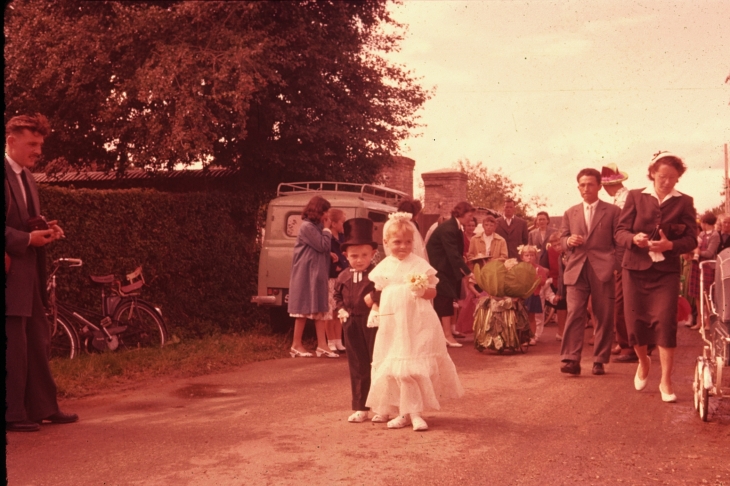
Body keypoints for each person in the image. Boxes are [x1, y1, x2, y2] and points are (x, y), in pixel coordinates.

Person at [5, 114, 78, 432]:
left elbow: (23, 221)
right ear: (11, 141)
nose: (38, 151)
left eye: (40, 144)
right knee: (14, 344)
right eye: (31, 143)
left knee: (37, 339)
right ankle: (12, 414)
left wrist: (45, 230)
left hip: (30, 272)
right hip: (9, 274)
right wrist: (26, 239)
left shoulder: (28, 178)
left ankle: (43, 407)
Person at [366, 213, 464, 431]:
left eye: (408, 242)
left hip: (417, 322)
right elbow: (378, 292)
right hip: (393, 323)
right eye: (397, 242)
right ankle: (402, 412)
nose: (403, 246)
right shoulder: (384, 267)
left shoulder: (419, 264)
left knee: (412, 366)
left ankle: (416, 413)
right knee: (397, 366)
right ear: (386, 242)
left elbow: (432, 293)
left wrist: (421, 290)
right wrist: (374, 309)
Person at [615, 151, 697, 403]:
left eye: (673, 178)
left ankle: (666, 381)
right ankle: (643, 362)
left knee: (665, 323)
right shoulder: (635, 197)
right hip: (635, 270)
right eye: (662, 176)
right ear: (652, 174)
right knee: (635, 325)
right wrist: (634, 239)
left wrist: (670, 245)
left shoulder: (684, 202)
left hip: (665, 273)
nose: (667, 182)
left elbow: (692, 239)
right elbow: (620, 232)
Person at [559, 168, 621, 376]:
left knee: (603, 315)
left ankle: (599, 359)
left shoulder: (612, 212)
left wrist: (615, 266)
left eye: (590, 184)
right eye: (582, 185)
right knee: (575, 312)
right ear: (578, 188)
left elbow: (619, 242)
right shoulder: (570, 212)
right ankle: (570, 358)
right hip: (576, 269)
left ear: (599, 187)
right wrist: (568, 241)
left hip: (603, 269)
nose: (586, 188)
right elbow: (562, 239)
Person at [333, 218, 379, 423]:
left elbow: (385, 291)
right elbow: (337, 297)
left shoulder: (377, 275)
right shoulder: (343, 276)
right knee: (357, 364)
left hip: (372, 323)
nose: (359, 260)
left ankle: (380, 405)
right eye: (354, 256)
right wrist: (341, 309)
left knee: (376, 361)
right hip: (350, 323)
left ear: (373, 254)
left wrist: (376, 301)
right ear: (346, 256)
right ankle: (360, 407)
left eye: (364, 255)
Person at [288, 195, 339, 358]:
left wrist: (329, 253)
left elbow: (320, 248)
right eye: (325, 211)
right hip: (306, 273)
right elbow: (322, 245)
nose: (327, 216)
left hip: (316, 272)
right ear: (319, 210)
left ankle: (322, 345)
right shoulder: (308, 227)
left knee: (319, 307)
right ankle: (296, 345)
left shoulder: (316, 226)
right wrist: (327, 229)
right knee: (303, 308)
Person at [600, 163, 637, 363]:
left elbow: (619, 232)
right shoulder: (622, 197)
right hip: (626, 253)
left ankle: (629, 346)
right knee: (622, 301)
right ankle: (627, 342)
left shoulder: (622, 202)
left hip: (624, 255)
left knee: (621, 302)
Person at [426, 201, 476, 347]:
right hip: (439, 270)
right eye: (469, 215)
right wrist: (468, 273)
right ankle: (446, 335)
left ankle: (444, 335)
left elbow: (456, 254)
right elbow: (453, 255)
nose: (471, 219)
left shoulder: (455, 227)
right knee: (445, 301)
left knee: (446, 301)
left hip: (445, 269)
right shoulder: (449, 228)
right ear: (461, 214)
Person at [687, 212, 719, 330]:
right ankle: (700, 322)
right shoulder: (701, 233)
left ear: (706, 223)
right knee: (697, 295)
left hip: (708, 268)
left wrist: (697, 252)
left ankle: (708, 323)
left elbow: (710, 253)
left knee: (707, 296)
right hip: (697, 266)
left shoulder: (715, 235)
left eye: (703, 223)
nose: (702, 225)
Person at [518, 244, 556, 345]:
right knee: (521, 317)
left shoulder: (539, 269)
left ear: (535, 256)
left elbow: (543, 281)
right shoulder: (518, 268)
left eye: (531, 255)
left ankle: (532, 337)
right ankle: (522, 337)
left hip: (533, 295)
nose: (529, 257)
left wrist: (532, 279)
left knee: (531, 318)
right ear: (522, 257)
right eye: (526, 255)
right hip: (521, 296)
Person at [325, 208, 348, 352]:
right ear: (333, 223)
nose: (343, 226)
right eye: (341, 223)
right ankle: (330, 341)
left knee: (339, 310)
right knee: (330, 309)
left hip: (341, 277)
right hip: (331, 276)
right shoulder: (328, 237)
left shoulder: (342, 237)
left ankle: (339, 340)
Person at [541, 232, 567, 341]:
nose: (557, 247)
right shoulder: (549, 252)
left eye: (559, 244)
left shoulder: (570, 250)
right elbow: (545, 267)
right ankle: (561, 332)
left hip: (573, 282)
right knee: (561, 307)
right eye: (554, 245)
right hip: (558, 281)